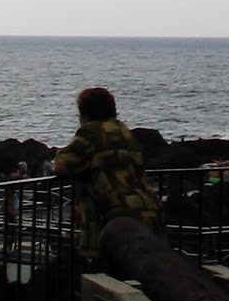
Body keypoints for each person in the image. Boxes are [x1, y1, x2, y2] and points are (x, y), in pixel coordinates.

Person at [53, 86, 163, 263]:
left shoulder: (91, 131)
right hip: (148, 212)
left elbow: (62, 164)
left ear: (85, 114)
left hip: (111, 218)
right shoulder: (124, 131)